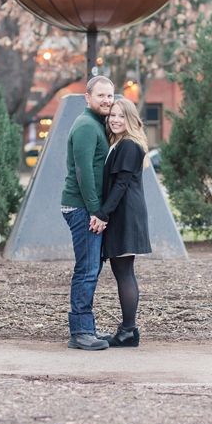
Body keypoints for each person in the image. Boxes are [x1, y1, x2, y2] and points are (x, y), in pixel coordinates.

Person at [60, 75, 115, 350]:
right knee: (87, 269)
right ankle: (80, 332)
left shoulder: (96, 124)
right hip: (82, 208)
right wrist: (96, 211)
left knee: (91, 268)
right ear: (88, 98)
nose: (106, 100)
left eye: (110, 95)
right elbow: (83, 174)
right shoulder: (85, 126)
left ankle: (87, 328)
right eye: (101, 95)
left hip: (88, 208)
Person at [95, 98, 151, 347]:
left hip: (124, 214)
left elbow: (121, 185)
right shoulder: (120, 144)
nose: (115, 120)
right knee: (123, 272)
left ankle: (128, 330)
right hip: (124, 212)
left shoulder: (128, 145)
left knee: (124, 272)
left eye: (121, 116)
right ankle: (128, 330)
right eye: (112, 115)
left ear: (130, 120)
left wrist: (103, 214)